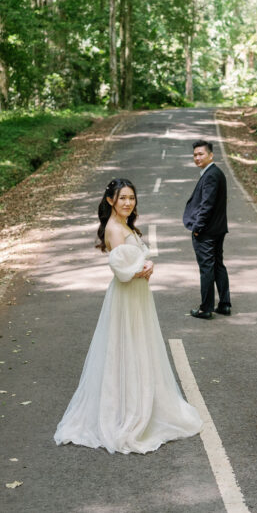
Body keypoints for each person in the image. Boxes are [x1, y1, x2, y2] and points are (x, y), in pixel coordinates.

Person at [54, 178, 202, 454]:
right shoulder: (115, 229)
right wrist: (143, 268)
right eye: (122, 198)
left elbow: (135, 260)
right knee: (127, 347)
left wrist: (147, 264)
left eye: (131, 198)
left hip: (137, 296)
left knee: (138, 346)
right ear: (110, 200)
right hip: (128, 295)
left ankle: (140, 400)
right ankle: (127, 411)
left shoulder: (125, 226)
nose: (127, 202)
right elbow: (122, 271)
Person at [182, 140, 231, 319]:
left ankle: (206, 308)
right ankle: (224, 304)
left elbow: (207, 205)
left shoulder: (210, 175)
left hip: (207, 231)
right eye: (195, 155)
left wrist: (197, 228)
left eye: (201, 154)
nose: (197, 157)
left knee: (207, 268)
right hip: (218, 229)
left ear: (211, 155)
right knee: (218, 265)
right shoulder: (215, 173)